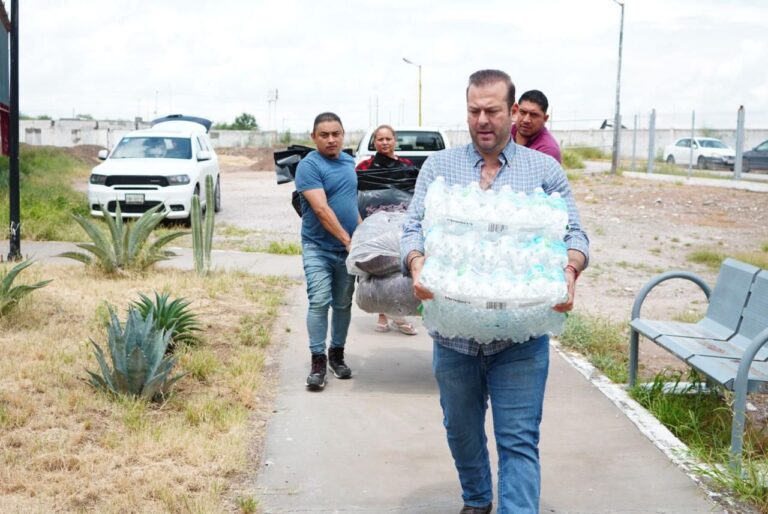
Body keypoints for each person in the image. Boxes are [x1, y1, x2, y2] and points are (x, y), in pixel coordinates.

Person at [401, 70, 589, 513]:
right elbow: (412, 227)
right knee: (461, 431)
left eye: (493, 111)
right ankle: (478, 498)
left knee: (519, 440)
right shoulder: (439, 167)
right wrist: (416, 261)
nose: (483, 120)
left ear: (513, 112)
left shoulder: (544, 170)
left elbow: (576, 233)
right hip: (453, 337)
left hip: (520, 340)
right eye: (474, 111)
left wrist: (570, 269)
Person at [295, 112, 361, 392]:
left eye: (336, 134)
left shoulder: (348, 162)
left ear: (343, 134)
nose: (331, 139)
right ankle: (318, 360)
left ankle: (337, 354)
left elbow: (349, 204)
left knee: (343, 304)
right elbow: (321, 210)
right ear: (314, 137)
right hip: (318, 248)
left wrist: (363, 236)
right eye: (324, 135)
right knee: (320, 301)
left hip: (348, 248)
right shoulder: (309, 167)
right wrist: (348, 240)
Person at [355, 124, 418, 336]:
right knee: (376, 267)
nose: (384, 143)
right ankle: (383, 313)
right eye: (379, 139)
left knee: (397, 267)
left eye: (387, 139)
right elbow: (357, 194)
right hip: (374, 226)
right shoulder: (364, 168)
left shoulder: (407, 166)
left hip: (399, 224)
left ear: (394, 140)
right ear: (374, 142)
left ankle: (397, 311)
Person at [512, 89, 561, 163]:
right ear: (516, 111)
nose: (526, 120)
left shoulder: (547, 151)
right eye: (523, 112)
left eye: (534, 115)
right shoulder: (505, 133)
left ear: (545, 119)